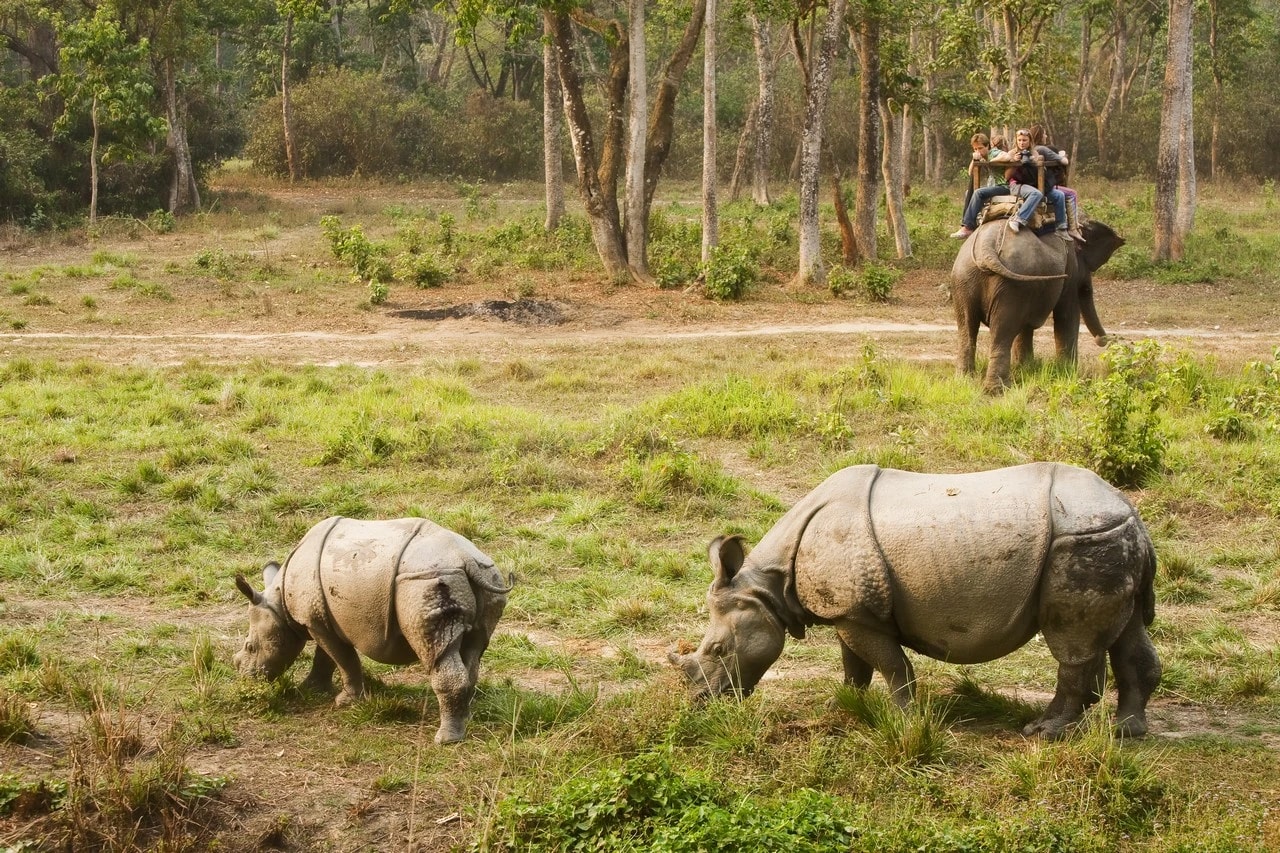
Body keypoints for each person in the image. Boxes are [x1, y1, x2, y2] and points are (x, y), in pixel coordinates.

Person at [1030, 124, 1084, 241]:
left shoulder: (1029, 149)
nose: (1046, 136)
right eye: (1044, 133)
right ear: (1040, 135)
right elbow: (1064, 162)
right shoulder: (1042, 149)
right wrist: (1061, 156)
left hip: (1028, 185)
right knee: (1072, 193)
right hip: (1042, 186)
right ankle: (1073, 228)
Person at [960, 133, 1006, 217]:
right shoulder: (981, 156)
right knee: (968, 193)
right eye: (975, 149)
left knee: (978, 192)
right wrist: (974, 160)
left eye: (980, 148)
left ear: (987, 146)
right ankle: (978, 216)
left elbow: (1006, 156)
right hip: (992, 185)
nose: (978, 151)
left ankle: (968, 225)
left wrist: (991, 162)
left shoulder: (993, 152)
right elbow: (970, 172)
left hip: (1002, 185)